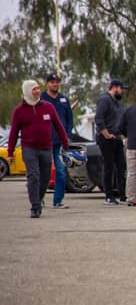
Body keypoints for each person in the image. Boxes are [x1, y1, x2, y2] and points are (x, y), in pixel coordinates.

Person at [7, 80, 70, 218]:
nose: (37, 91)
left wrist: (65, 142)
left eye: (38, 88)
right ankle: (35, 207)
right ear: (27, 91)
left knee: (45, 178)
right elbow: (13, 133)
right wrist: (10, 152)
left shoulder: (48, 107)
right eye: (34, 89)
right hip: (29, 148)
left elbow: (58, 126)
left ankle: (39, 198)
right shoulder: (19, 111)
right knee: (33, 176)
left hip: (46, 147)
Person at [40, 72, 74, 209]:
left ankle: (58, 201)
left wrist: (68, 135)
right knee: (44, 172)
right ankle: (39, 198)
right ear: (47, 83)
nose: (55, 84)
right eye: (52, 82)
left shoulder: (63, 100)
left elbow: (69, 119)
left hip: (60, 142)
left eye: (57, 82)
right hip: (44, 142)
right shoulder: (41, 99)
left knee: (61, 171)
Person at [95, 79, 127, 206]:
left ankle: (123, 196)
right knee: (109, 167)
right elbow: (99, 118)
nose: (123, 91)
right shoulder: (105, 99)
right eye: (121, 88)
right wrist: (106, 134)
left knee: (121, 167)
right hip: (106, 139)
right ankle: (109, 196)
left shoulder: (118, 103)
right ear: (114, 87)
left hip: (118, 138)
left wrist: (125, 135)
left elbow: (121, 121)